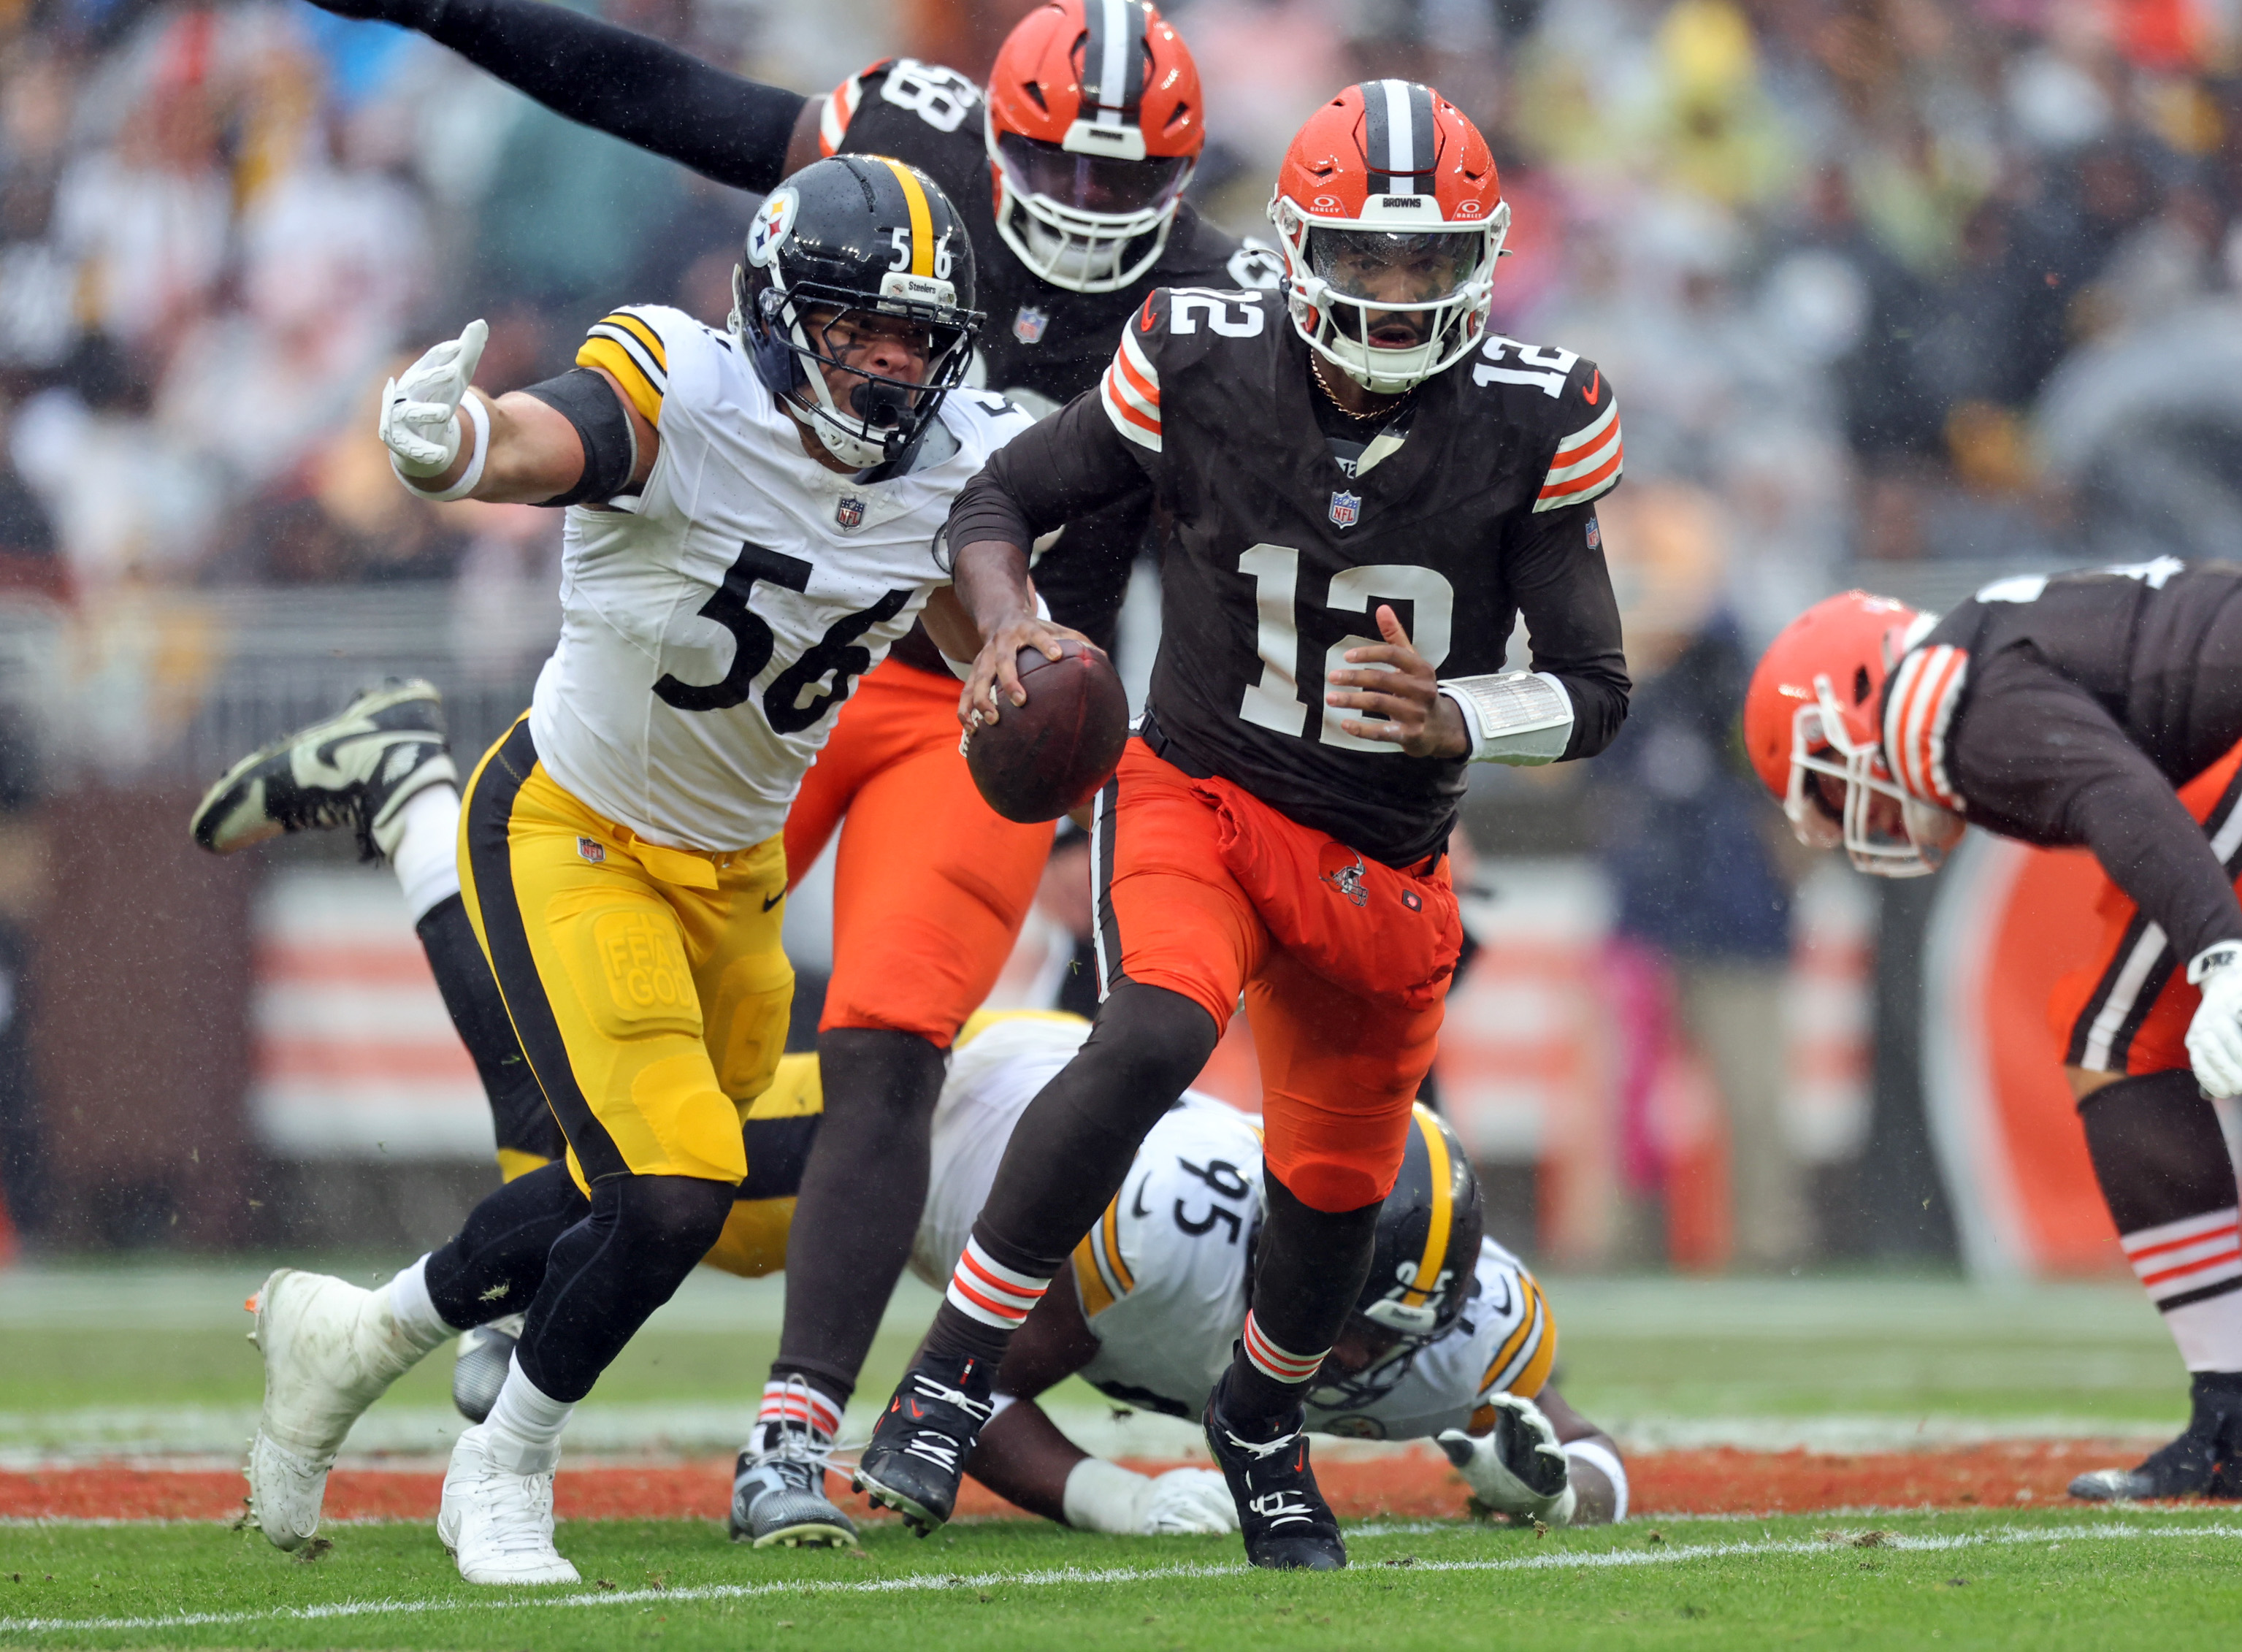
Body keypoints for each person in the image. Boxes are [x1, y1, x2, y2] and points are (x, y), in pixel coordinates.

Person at [255, 0, 1282, 1547]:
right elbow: (657, 100)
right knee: (636, 1115)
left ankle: (778, 1431)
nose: (1081, 206)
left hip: (968, 690)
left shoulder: (1205, 308)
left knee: (870, 1069)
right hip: (773, 677)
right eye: (1053, 171)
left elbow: (1235, 565)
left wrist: (1103, 760)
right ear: (988, 143)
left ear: (1184, 179)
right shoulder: (861, 195)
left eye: (1122, 183)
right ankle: (516, 1287)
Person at [857, 80, 1630, 1571]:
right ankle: (950, 1375)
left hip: (1386, 855)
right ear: (1294, 248)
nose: (1393, 295)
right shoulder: (1195, 354)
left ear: (1475, 259)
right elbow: (995, 499)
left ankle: (1260, 1420)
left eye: (1423, 264)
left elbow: (1594, 689)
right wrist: (1011, 624)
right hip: (1198, 792)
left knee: (1339, 1186)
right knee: (1148, 1029)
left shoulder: (1540, 410)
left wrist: (1461, 713)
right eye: (1364, 258)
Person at [241, 154, 1028, 1584]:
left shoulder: (964, 457)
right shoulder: (688, 383)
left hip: (735, 874)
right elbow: (548, 441)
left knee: (669, 1179)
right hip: (574, 831)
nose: (895, 363)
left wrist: (1030, 664)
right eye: (862, 325)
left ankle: (357, 1339)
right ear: (786, 313)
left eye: (922, 334)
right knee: (666, 1185)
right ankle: (502, 1466)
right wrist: (451, 446)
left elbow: (992, 626)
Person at [323, 1012, 1630, 1538]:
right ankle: (427, 824)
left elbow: (1581, 1440)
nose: (1337, 1361)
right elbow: (949, 1392)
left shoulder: (1473, 1325)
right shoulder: (1172, 1226)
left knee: (642, 1190)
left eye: (1368, 1342)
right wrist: (1111, 1493)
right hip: (955, 1131)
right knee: (662, 1184)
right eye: (1329, 1317)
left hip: (1042, 1164)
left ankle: (532, 1313)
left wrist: (1556, 1482)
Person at [1743, 561, 2242, 1502]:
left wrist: (2221, 956)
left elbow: (2120, 797)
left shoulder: (1939, 700)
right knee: (2110, 1030)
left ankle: (2233, 1416)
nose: (1856, 816)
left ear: (1853, 701)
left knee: (2115, 1039)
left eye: (1825, 779)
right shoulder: (1978, 663)